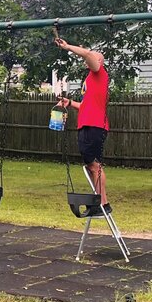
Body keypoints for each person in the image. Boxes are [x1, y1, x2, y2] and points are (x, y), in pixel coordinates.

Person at [55, 37, 111, 217]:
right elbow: (86, 105)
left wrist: (67, 47)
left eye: (92, 57)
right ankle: (99, 202)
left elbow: (87, 53)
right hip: (87, 124)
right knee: (90, 166)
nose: (88, 59)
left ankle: (103, 204)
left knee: (95, 166)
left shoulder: (99, 72)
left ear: (98, 61)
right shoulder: (90, 79)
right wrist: (70, 102)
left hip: (95, 125)